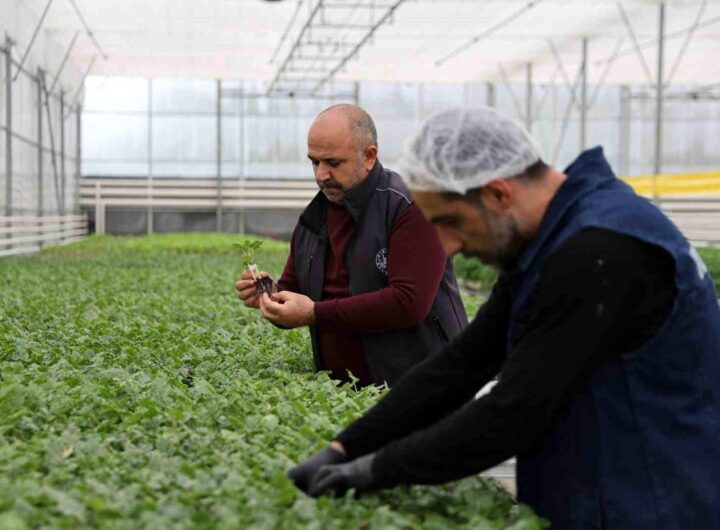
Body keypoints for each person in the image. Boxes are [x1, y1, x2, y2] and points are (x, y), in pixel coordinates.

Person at [286, 107, 720, 530]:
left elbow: (513, 412)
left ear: (497, 193)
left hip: (652, 501)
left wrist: (375, 470)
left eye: (451, 222)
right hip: (602, 489)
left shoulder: (598, 250)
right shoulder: (555, 236)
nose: (449, 246)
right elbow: (463, 363)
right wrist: (344, 448)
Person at [235, 104, 467, 388]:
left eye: (333, 163)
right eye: (314, 162)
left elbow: (409, 303)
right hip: (342, 394)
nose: (321, 175)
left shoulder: (411, 206)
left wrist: (314, 313)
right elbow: (296, 293)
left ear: (369, 156)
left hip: (421, 386)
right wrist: (272, 296)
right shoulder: (314, 218)